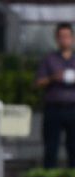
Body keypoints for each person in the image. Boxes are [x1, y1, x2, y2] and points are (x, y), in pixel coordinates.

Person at [36, 22, 75, 168]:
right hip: (54, 108)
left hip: (73, 108)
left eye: (67, 36)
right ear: (57, 39)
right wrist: (53, 78)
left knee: (73, 148)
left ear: (72, 38)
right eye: (61, 37)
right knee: (51, 148)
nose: (64, 40)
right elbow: (38, 82)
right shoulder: (49, 59)